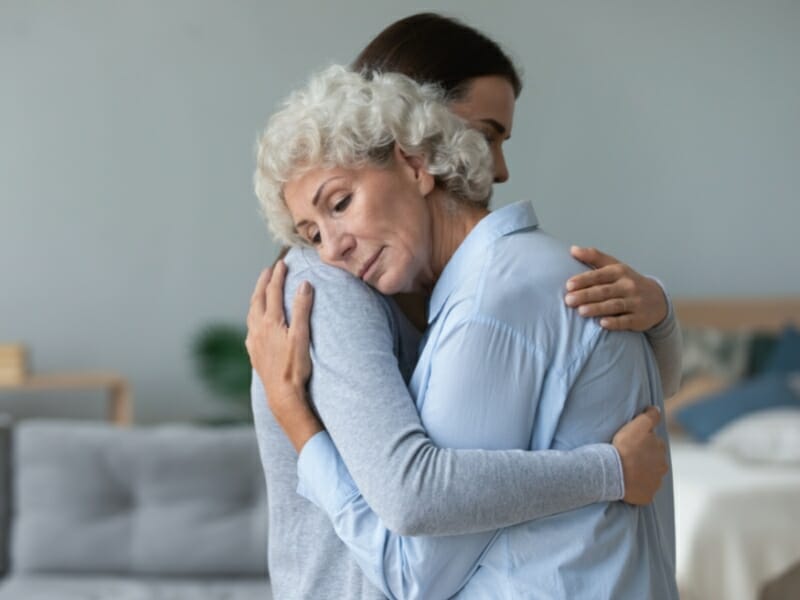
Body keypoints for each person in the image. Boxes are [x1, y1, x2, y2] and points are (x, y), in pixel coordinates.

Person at [248, 14, 680, 600]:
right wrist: (609, 471)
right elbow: (415, 503)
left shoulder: (485, 290)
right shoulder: (332, 289)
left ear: (416, 158)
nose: (495, 166)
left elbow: (634, 394)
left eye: (341, 205)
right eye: (485, 132)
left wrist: (659, 313)